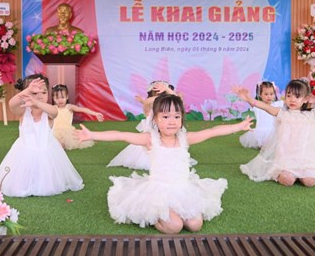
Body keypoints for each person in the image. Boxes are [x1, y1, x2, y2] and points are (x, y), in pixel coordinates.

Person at [75, 93, 252, 234]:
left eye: (176, 116)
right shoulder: (150, 139)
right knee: (175, 226)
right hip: (158, 192)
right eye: (165, 116)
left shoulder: (184, 138)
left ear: (182, 119)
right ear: (155, 120)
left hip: (183, 190)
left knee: (195, 225)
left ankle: (175, 216)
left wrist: (237, 127)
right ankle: (154, 218)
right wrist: (92, 135)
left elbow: (212, 131)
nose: (171, 121)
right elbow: (120, 135)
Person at [235, 78, 315, 187]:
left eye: (297, 96)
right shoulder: (282, 113)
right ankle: (286, 174)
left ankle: (303, 174)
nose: (292, 99)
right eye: (289, 95)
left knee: (310, 182)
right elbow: (264, 107)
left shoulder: (312, 114)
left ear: (305, 99)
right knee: (287, 180)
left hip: (306, 158)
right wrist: (249, 99)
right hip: (286, 158)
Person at [0, 75, 84, 197]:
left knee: (46, 183)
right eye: (34, 93)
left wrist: (36, 101)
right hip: (23, 153)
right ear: (25, 94)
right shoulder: (23, 111)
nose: (40, 96)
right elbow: (11, 104)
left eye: (44, 92)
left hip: (46, 153)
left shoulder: (49, 111)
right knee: (19, 185)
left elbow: (54, 112)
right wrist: (28, 91)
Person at [107, 80, 197, 170]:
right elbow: (169, 100)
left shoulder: (165, 104)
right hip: (152, 135)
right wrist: (167, 90)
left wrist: (167, 90)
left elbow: (177, 101)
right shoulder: (152, 101)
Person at [51, 84, 104, 150]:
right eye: (57, 98)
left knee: (71, 141)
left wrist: (95, 114)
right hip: (55, 131)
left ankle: (62, 144)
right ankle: (60, 144)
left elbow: (83, 109)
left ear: (67, 97)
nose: (60, 100)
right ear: (53, 98)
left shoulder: (69, 107)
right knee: (53, 141)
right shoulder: (52, 108)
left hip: (67, 131)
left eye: (62, 97)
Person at [237, 81, 284, 149]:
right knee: (263, 144)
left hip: (273, 131)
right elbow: (251, 101)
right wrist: (247, 97)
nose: (269, 96)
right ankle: (263, 144)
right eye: (266, 94)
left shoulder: (277, 105)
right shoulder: (257, 105)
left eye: (271, 94)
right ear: (260, 95)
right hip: (261, 131)